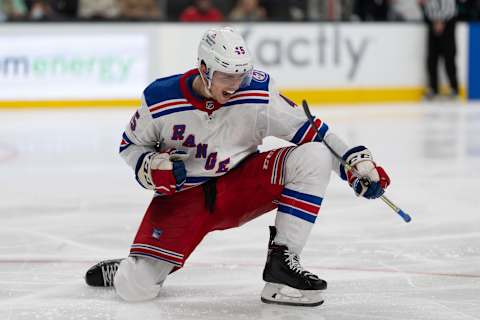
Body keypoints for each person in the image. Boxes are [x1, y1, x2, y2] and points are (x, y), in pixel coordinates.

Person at [84, 27, 390, 307]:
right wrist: (151, 167)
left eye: (241, 75)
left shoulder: (257, 94)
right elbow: (130, 145)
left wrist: (355, 164)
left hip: (240, 187)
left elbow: (316, 135)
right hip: (184, 198)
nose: (235, 84)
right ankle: (131, 266)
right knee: (136, 289)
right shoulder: (160, 99)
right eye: (226, 76)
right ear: (204, 70)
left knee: (314, 156)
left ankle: (281, 268)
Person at [420, 0, 459, 99]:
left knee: (449, 59)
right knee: (431, 60)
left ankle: (454, 89)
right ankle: (434, 89)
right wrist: (434, 21)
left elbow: (450, 8)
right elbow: (427, 7)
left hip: (448, 25)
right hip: (432, 25)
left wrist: (441, 21)